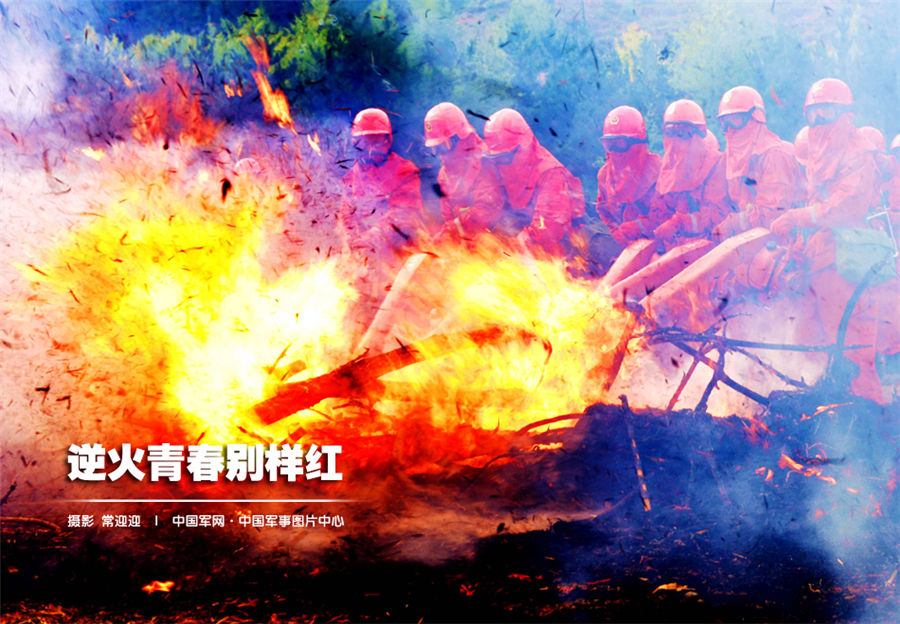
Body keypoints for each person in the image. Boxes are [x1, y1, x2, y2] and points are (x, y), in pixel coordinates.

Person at [768, 78, 886, 400]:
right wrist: (797, 240)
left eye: (827, 111)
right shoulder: (819, 156)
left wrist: (798, 218)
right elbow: (815, 206)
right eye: (813, 114)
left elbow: (846, 206)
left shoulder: (858, 151)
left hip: (849, 259)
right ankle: (828, 411)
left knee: (853, 346)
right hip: (822, 257)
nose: (819, 120)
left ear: (846, 114)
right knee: (817, 341)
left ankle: (870, 424)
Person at [482, 108, 585, 256]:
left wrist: (520, 244)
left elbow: (550, 228)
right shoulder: (499, 167)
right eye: (497, 159)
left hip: (561, 247)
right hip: (524, 240)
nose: (501, 164)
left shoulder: (550, 173)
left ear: (524, 146)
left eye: (505, 157)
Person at [713, 86, 805, 239]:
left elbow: (772, 213)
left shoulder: (774, 155)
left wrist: (733, 223)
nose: (730, 129)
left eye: (736, 120)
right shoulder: (736, 158)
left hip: (787, 238)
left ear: (756, 117)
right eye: (725, 123)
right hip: (755, 235)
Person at [339, 108, 426, 259]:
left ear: (387, 140)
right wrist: (351, 243)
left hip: (403, 251)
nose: (371, 150)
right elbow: (346, 218)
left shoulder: (405, 171)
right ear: (356, 144)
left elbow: (405, 214)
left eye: (376, 142)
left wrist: (376, 234)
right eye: (366, 143)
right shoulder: (350, 179)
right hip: (367, 255)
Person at [653, 99, 734, 246]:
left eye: (684, 132)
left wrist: (679, 223)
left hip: (713, 245)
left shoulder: (717, 164)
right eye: (670, 132)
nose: (676, 138)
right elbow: (659, 212)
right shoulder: (668, 170)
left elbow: (716, 217)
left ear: (699, 133)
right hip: (676, 246)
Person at [423, 102, 505, 241]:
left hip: (498, 243)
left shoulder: (485, 164)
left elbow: (487, 210)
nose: (439, 154)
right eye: (435, 149)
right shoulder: (445, 175)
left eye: (443, 146)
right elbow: (448, 216)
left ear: (461, 138)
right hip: (468, 244)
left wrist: (452, 230)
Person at [595, 105, 669, 247]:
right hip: (623, 248)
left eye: (620, 144)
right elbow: (603, 210)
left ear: (637, 143)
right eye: (609, 144)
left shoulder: (658, 170)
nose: (614, 150)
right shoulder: (605, 175)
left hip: (658, 246)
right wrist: (615, 231)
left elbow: (670, 215)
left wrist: (641, 226)